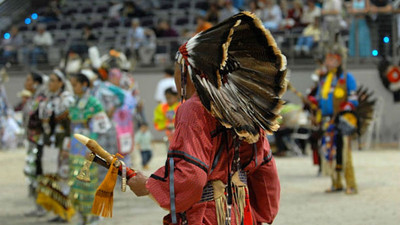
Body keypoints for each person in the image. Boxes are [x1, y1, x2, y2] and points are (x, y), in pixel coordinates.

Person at [128, 12, 283, 225]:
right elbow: (264, 165)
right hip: (241, 211)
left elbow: (191, 177)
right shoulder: (243, 104)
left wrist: (149, 186)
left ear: (186, 71)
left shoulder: (193, 109)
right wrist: (262, 213)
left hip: (207, 216)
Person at [316, 45, 359, 194]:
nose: (327, 62)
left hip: (342, 120)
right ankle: (336, 182)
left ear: (339, 61)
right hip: (328, 120)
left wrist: (345, 108)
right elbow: (319, 99)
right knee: (329, 151)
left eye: (331, 59)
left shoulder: (347, 78)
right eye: (327, 59)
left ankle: (351, 184)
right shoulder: (325, 80)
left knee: (345, 153)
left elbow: (354, 98)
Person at [36, 69, 75, 222]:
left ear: (61, 83)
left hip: (63, 143)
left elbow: (70, 125)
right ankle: (59, 211)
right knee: (52, 175)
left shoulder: (67, 100)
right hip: (50, 142)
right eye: (49, 80)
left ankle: (67, 211)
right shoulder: (47, 99)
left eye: (53, 80)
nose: (50, 83)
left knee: (63, 175)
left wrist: (67, 146)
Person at [69, 72, 107, 224]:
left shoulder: (94, 103)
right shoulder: (73, 102)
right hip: (74, 146)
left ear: (84, 84)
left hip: (88, 147)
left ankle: (94, 214)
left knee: (89, 180)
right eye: (72, 85)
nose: (73, 88)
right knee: (75, 180)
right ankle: (81, 214)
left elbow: (100, 128)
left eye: (75, 85)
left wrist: (92, 148)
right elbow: (71, 126)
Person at [23, 71, 47, 217]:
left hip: (40, 142)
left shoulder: (41, 99)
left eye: (29, 80)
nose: (26, 82)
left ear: (36, 83)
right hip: (32, 141)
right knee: (32, 172)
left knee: (37, 172)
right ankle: (38, 205)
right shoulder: (33, 98)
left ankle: (42, 206)